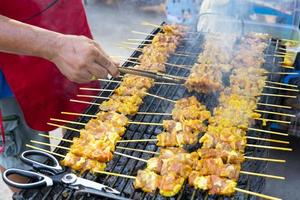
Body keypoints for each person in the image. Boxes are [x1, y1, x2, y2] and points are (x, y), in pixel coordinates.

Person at [0, 0, 119, 180]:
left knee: (89, 134)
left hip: (74, 41)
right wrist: (55, 46)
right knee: (32, 170)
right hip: (10, 75)